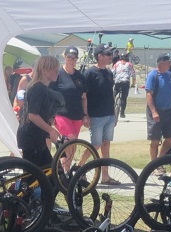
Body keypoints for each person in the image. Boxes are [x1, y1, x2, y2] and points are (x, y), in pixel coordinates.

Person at [17, 54, 61, 169]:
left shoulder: (41, 87)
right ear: (45, 70)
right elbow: (33, 115)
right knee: (35, 174)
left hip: (36, 137)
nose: (57, 72)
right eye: (55, 69)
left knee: (50, 172)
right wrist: (50, 130)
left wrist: (50, 127)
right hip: (31, 138)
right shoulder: (39, 88)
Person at [83, 45, 119, 182]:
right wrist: (85, 115)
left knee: (106, 145)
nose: (110, 57)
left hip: (109, 114)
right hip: (96, 115)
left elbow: (111, 95)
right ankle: (80, 168)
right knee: (95, 145)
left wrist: (114, 114)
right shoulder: (89, 73)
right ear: (99, 56)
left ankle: (105, 175)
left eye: (110, 54)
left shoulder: (109, 73)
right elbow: (84, 96)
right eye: (107, 54)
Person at [144, 53, 171, 160]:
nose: (170, 64)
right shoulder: (153, 75)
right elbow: (149, 94)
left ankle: (160, 159)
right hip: (156, 111)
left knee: (170, 138)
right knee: (155, 140)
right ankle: (153, 163)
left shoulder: (169, 74)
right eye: (169, 62)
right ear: (162, 63)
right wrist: (154, 112)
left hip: (169, 111)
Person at [53, 47, 87, 140]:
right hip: (61, 114)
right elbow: (50, 95)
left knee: (73, 144)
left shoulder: (80, 76)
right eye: (69, 57)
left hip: (77, 115)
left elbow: (84, 97)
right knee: (70, 140)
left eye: (74, 58)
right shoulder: (57, 74)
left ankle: (62, 155)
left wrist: (85, 115)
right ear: (65, 57)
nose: (72, 60)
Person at [112, 52, 134, 119]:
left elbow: (112, 72)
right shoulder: (129, 64)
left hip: (117, 82)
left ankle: (111, 108)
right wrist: (133, 84)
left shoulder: (116, 64)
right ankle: (122, 113)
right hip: (126, 82)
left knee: (114, 94)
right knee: (124, 98)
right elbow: (133, 75)